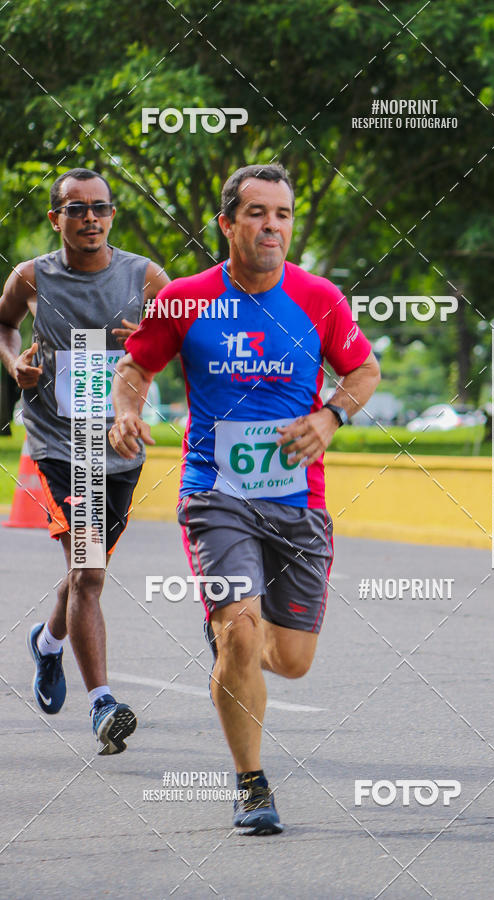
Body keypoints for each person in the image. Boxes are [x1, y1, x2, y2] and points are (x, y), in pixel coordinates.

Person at [109, 163, 380, 831]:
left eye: (283, 214)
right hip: (215, 494)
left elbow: (364, 369)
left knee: (290, 661)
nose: (272, 226)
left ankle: (231, 643)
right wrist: (123, 412)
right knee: (241, 628)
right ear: (227, 224)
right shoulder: (184, 298)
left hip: (297, 502)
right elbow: (136, 366)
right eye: (257, 213)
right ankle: (252, 785)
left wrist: (330, 417)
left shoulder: (319, 298)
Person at [0, 167, 169, 754]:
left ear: (112, 215)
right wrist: (13, 362)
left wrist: (149, 336)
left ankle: (47, 643)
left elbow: (179, 340)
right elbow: (4, 325)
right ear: (57, 218)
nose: (89, 218)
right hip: (57, 447)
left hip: (118, 448)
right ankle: (103, 705)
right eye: (76, 209)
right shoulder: (31, 276)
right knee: (91, 573)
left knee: (82, 572)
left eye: (100, 207)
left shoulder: (146, 277)